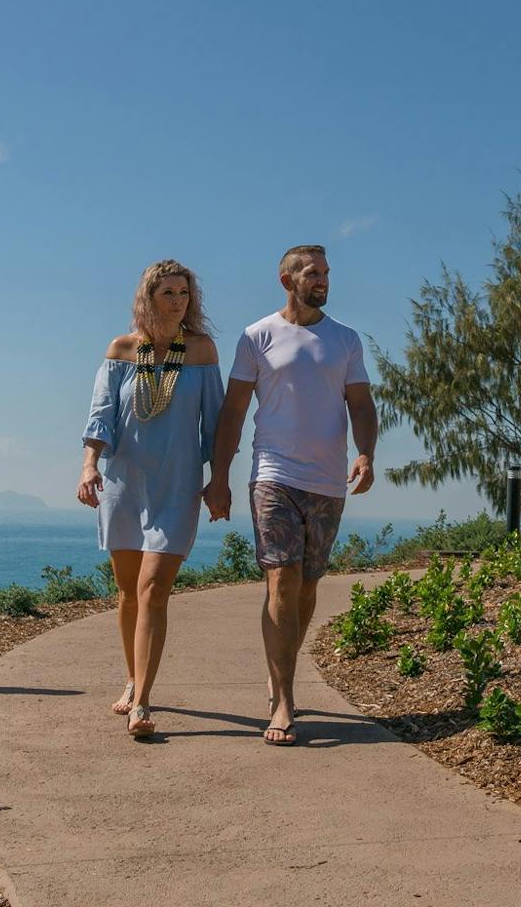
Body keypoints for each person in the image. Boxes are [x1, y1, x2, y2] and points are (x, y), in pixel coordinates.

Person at [204, 244, 376, 747]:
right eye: (311, 272)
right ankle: (284, 699)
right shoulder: (257, 336)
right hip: (273, 474)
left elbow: (361, 404)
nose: (321, 279)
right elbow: (233, 412)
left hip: (326, 482)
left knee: (306, 587)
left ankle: (280, 673)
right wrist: (220, 478)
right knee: (281, 577)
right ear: (287, 280)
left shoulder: (345, 340)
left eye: (325, 272)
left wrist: (365, 453)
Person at [78, 259, 226, 738]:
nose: (178, 301)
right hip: (124, 484)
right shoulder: (123, 350)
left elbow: (217, 425)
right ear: (149, 297)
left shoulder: (201, 352)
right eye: (168, 293)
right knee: (127, 594)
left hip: (178, 486)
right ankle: (132, 679)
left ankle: (142, 703)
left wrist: (217, 479)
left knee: (154, 590)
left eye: (184, 293)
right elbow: (101, 417)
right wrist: (88, 467)